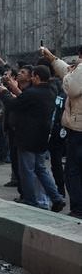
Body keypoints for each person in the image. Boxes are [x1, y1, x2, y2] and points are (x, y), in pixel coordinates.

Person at [0, 65, 65, 211]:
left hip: (27, 137)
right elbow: (24, 99)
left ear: (35, 77)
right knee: (40, 169)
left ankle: (30, 199)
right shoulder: (51, 90)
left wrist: (4, 92)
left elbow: (14, 103)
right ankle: (57, 197)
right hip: (42, 137)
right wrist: (14, 87)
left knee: (27, 170)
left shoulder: (32, 93)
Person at [42, 46, 82, 218]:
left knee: (73, 170)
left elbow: (72, 87)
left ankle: (78, 208)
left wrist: (71, 71)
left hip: (79, 129)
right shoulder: (77, 71)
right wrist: (52, 58)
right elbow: (69, 73)